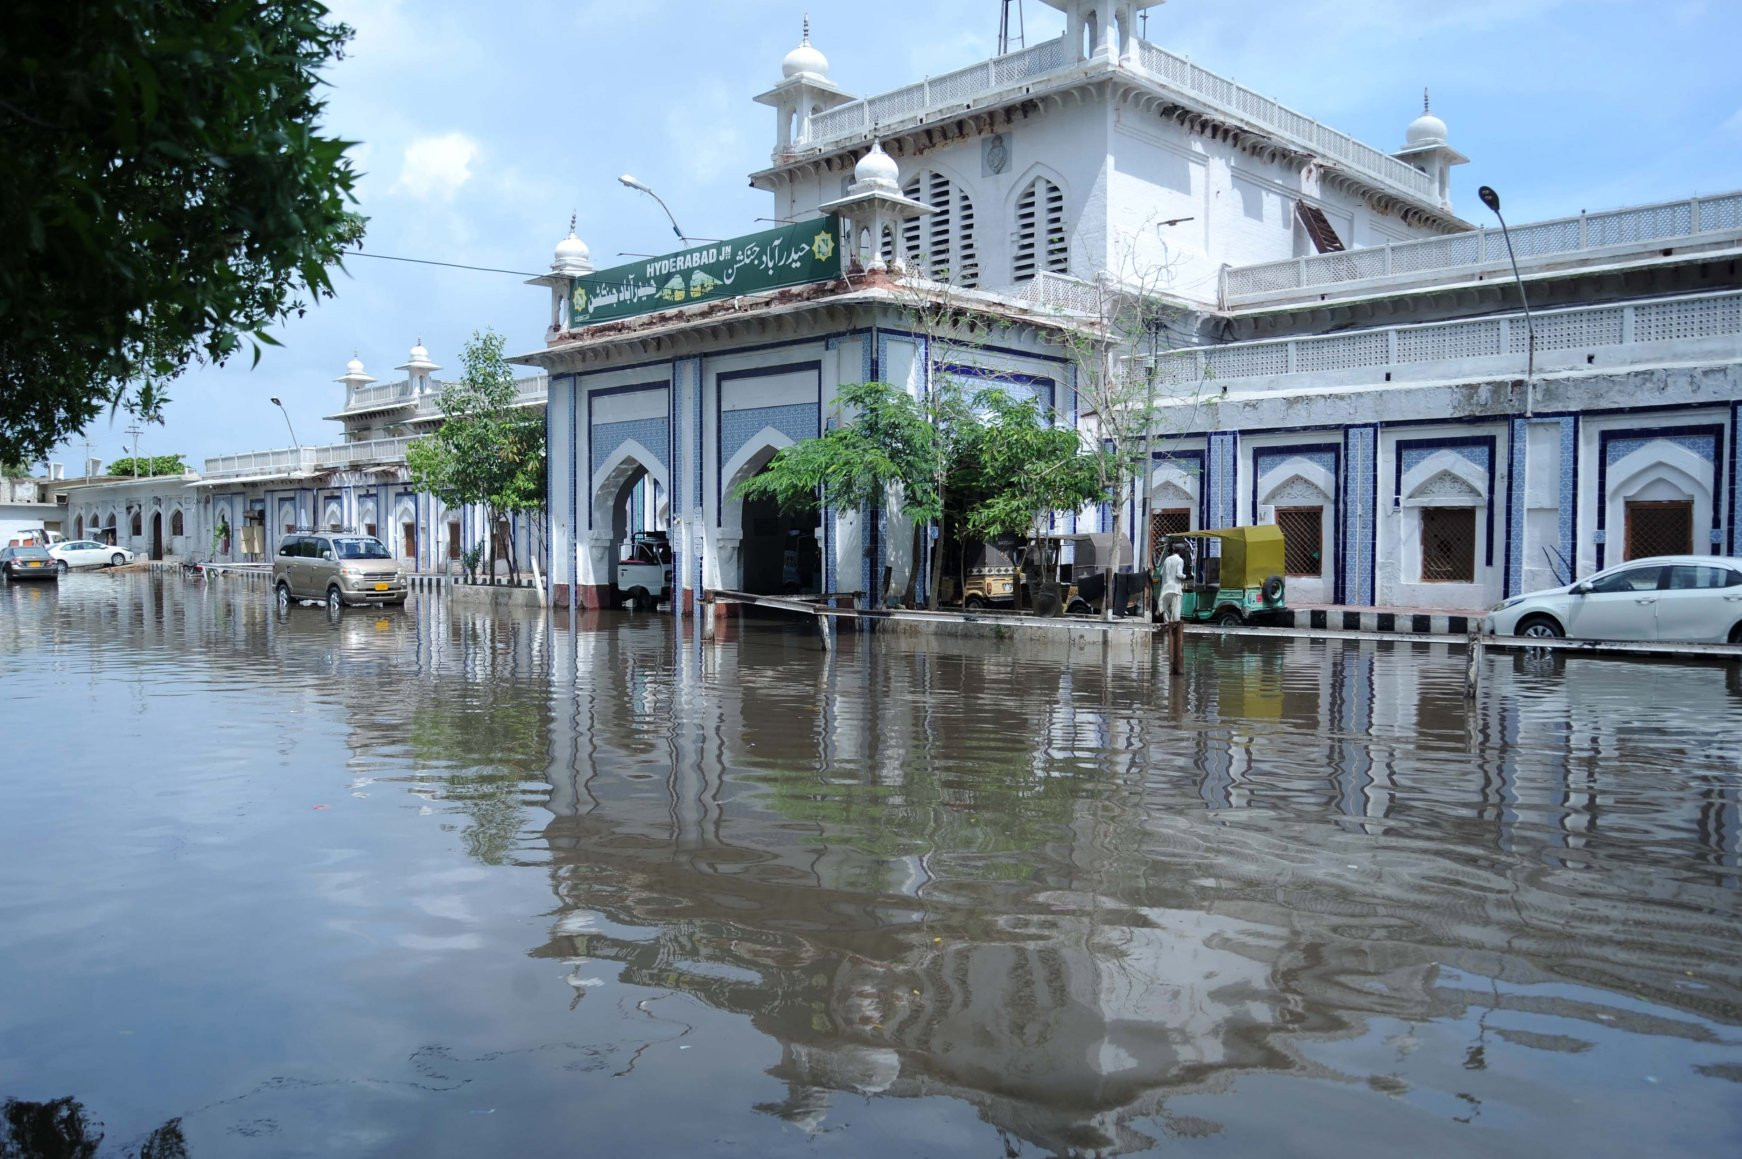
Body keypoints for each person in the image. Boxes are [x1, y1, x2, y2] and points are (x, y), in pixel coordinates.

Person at [1157, 541, 1187, 623]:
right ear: (1180, 551)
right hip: (1175, 589)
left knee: (1166, 611)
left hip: (1165, 589)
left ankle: (1167, 628)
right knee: (1175, 611)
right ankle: (1175, 628)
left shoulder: (1167, 559)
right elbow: (1179, 574)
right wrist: (1185, 576)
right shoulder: (1180, 560)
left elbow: (1161, 572)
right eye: (1184, 550)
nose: (1184, 552)